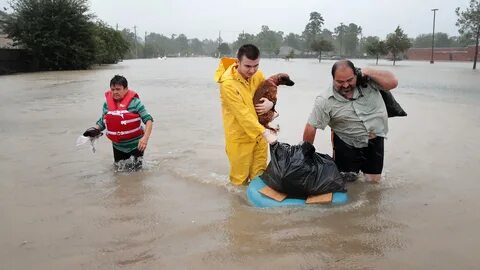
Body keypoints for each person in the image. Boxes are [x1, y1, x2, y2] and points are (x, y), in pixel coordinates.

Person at [303, 60, 398, 182]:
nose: (346, 85)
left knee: (373, 182)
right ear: (333, 79)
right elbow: (311, 126)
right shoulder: (324, 100)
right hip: (346, 143)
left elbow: (393, 82)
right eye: (340, 82)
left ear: (356, 75)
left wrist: (368, 71)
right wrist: (304, 156)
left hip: (375, 140)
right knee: (347, 182)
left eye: (349, 80)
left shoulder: (369, 82)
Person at [214, 44, 277, 185]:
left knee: (260, 176)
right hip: (239, 138)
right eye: (248, 66)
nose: (252, 70)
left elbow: (269, 93)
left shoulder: (258, 75)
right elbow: (242, 114)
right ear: (238, 62)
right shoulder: (228, 84)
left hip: (260, 137)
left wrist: (271, 105)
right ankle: (236, 207)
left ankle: (253, 207)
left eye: (256, 65)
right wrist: (266, 133)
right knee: (239, 181)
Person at [83, 75, 153, 167]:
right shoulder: (107, 104)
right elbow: (103, 122)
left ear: (126, 89)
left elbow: (148, 120)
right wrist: (94, 130)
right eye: (112, 89)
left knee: (136, 174)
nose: (115, 92)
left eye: (118, 89)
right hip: (117, 146)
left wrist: (145, 139)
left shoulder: (135, 102)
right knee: (118, 173)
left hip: (136, 145)